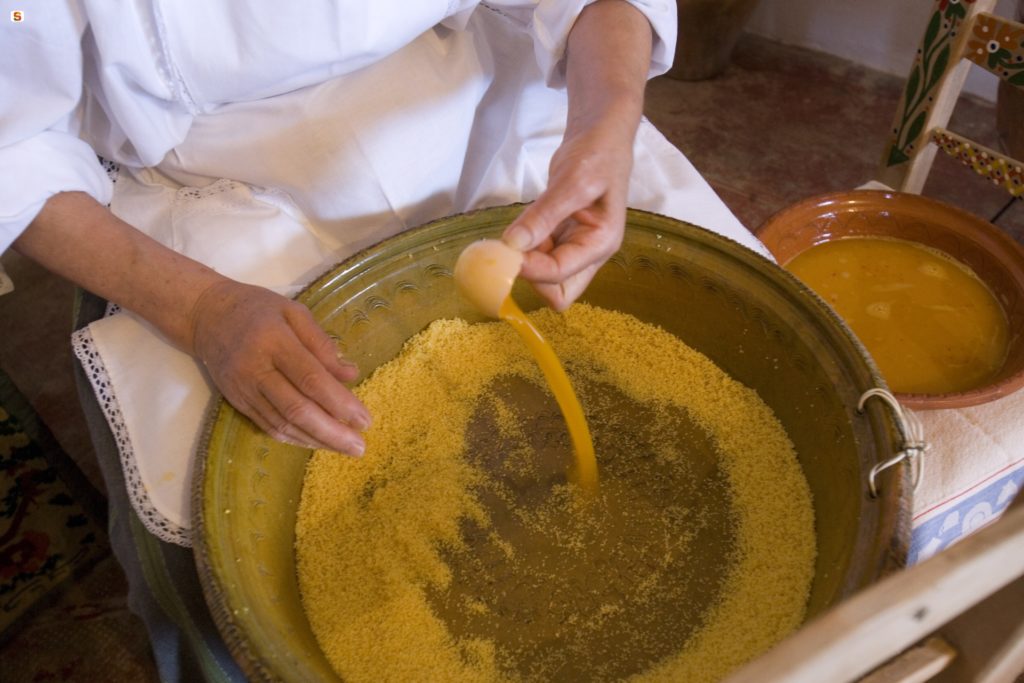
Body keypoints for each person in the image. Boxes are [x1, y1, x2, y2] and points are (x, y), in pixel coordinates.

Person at [2, 0, 769, 679]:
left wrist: (606, 127)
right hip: (210, 201)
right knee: (206, 561)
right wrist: (201, 311)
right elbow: (15, 149)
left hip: (488, 110)